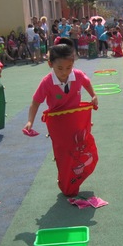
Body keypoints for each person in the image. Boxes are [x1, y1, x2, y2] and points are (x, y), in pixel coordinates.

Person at [23, 38, 99, 196]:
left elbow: (87, 82)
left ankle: (75, 178)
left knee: (79, 150)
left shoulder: (77, 75)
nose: (64, 72)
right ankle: (64, 180)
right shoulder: (47, 82)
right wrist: (30, 121)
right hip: (58, 125)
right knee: (64, 153)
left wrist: (93, 95)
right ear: (50, 65)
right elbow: (35, 103)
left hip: (76, 120)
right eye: (60, 68)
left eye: (68, 67)